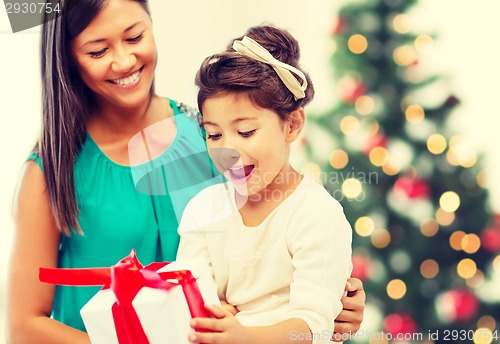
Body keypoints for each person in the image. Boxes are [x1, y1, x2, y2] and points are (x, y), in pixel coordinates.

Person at [6, 0, 365, 343]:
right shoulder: (50, 172)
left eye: (134, 37)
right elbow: (24, 328)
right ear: (68, 58)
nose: (124, 60)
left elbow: (284, 244)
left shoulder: (213, 134)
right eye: (98, 51)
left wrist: (337, 300)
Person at [175, 26, 354, 344]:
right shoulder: (204, 209)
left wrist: (244, 336)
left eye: (245, 132)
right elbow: (188, 300)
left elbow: (313, 325)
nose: (227, 151)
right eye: (214, 134)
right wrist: (210, 312)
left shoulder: (316, 214)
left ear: (292, 125)